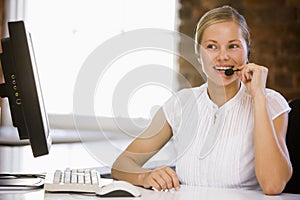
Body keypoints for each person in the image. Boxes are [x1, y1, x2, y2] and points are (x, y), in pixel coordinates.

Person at [111, 5, 293, 195]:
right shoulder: (181, 103)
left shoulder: (270, 102)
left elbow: (273, 185)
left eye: (233, 46)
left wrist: (258, 97)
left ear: (247, 51)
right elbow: (121, 164)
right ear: (199, 55)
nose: (223, 56)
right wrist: (144, 176)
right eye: (212, 46)